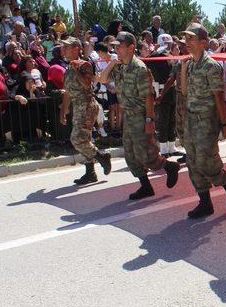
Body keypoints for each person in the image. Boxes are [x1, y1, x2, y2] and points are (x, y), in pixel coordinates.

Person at [99, 31, 180, 199]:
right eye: (114, 48)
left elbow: (148, 96)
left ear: (131, 47)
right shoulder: (120, 67)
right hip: (128, 116)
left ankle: (169, 166)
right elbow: (103, 79)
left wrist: (149, 120)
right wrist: (112, 63)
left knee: (146, 154)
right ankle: (146, 186)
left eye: (119, 47)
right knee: (130, 154)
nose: (117, 50)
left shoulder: (139, 68)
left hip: (140, 116)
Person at [178, 23, 226, 218]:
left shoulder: (211, 66)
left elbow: (218, 98)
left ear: (204, 42)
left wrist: (224, 124)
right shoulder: (190, 64)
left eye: (191, 38)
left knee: (206, 161)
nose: (187, 42)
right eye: (186, 38)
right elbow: (185, 92)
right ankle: (205, 202)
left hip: (206, 121)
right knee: (192, 161)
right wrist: (183, 69)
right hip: (191, 119)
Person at [59, 37, 112, 185]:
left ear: (76, 49)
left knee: (77, 139)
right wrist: (63, 110)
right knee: (84, 139)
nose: (63, 50)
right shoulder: (68, 67)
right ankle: (90, 173)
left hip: (87, 105)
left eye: (67, 47)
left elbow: (87, 84)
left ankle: (101, 157)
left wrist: (76, 70)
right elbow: (68, 92)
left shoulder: (84, 65)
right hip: (78, 106)